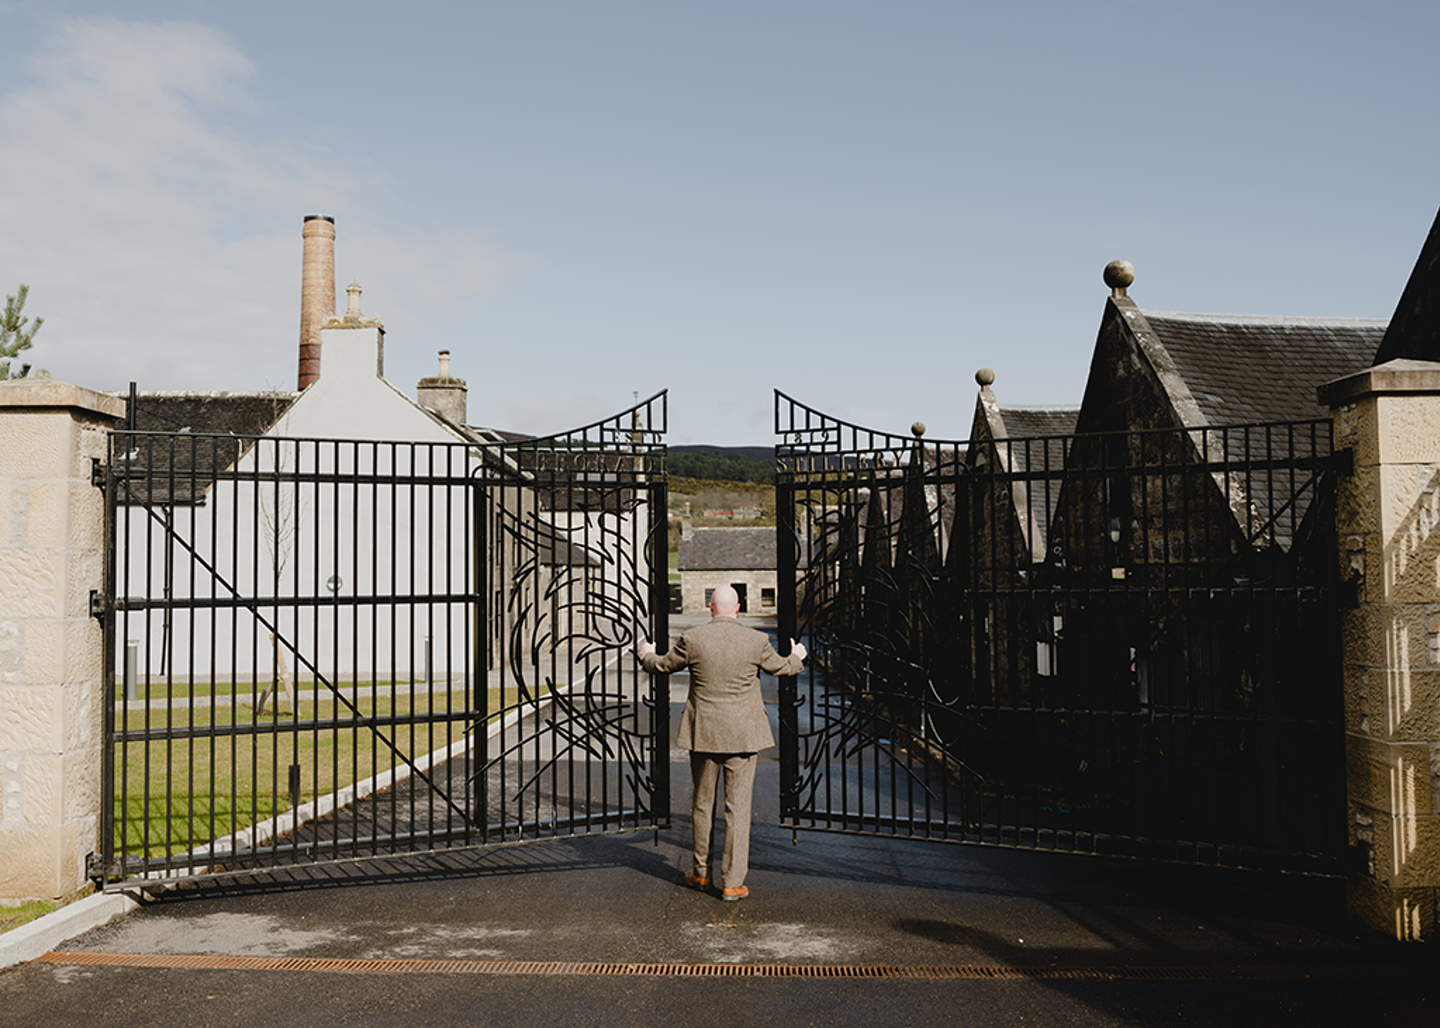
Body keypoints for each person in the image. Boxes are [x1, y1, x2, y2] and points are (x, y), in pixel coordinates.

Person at [637, 584, 806, 901]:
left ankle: (701, 875)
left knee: (702, 806)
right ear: (738, 607)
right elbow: (783, 667)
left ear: (710, 607)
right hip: (743, 736)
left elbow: (662, 665)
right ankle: (732, 882)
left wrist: (646, 655)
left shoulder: (693, 638)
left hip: (704, 734)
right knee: (738, 810)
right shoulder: (756, 640)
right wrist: (797, 656)